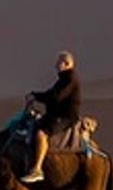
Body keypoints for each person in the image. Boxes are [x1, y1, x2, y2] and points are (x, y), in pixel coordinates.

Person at [21, 50, 82, 183]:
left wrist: (36, 97)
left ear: (66, 64)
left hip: (66, 117)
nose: (56, 66)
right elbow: (51, 93)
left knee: (41, 134)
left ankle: (37, 169)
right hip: (56, 115)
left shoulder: (70, 79)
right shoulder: (63, 79)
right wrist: (34, 95)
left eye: (59, 63)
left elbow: (56, 97)